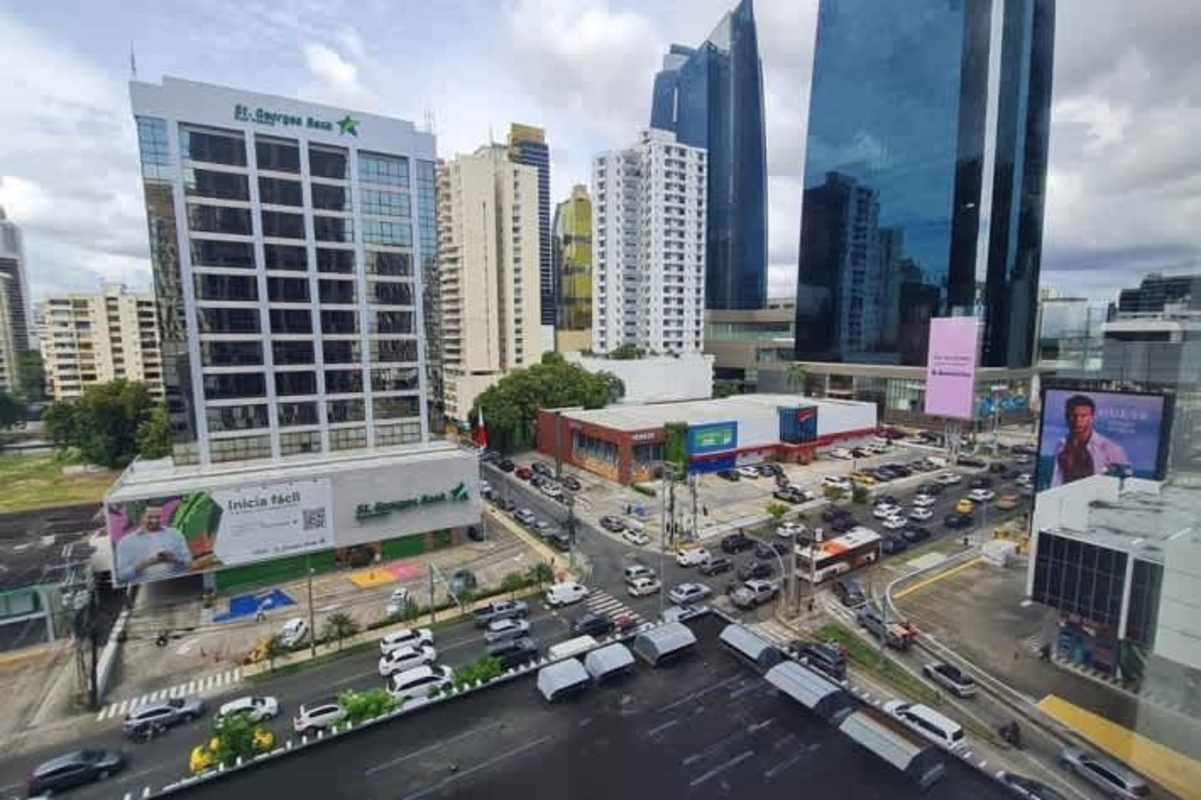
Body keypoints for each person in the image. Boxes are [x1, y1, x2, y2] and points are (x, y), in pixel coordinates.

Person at [1051, 394, 1131, 487]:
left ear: (1092, 418)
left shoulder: (1111, 449)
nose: (1078, 420)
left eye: (1083, 416)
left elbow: (1124, 484)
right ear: (1066, 417)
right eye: (1073, 415)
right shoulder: (1061, 445)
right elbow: (1056, 481)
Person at [114, 505, 193, 584]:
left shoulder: (175, 534)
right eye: (150, 517)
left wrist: (174, 559)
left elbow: (189, 564)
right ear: (141, 517)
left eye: (158, 517)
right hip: (146, 586)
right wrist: (143, 565)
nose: (154, 521)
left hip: (177, 582)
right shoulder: (126, 542)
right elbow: (122, 575)